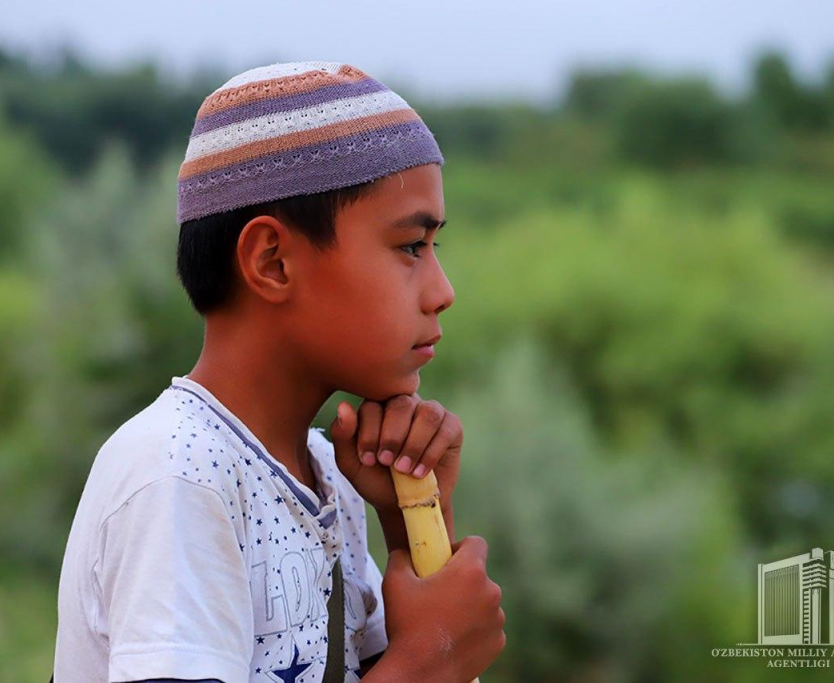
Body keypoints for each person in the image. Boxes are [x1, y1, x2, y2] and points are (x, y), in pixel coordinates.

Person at [52, 60, 506, 683]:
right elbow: (419, 667)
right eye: (410, 247)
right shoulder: (179, 474)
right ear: (272, 262)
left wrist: (414, 525)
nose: (442, 290)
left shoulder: (328, 477)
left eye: (435, 248)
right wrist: (431, 661)